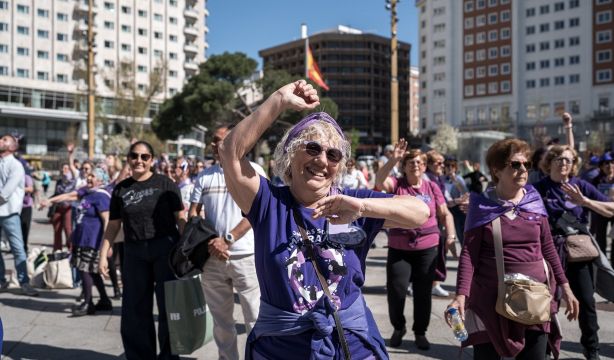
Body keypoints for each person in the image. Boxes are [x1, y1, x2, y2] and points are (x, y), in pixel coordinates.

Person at [218, 80, 429, 359]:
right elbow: (229, 151)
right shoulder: (268, 202)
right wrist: (279, 99)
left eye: (333, 154)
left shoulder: (353, 202)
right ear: (291, 153)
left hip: (352, 346)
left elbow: (420, 213)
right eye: (313, 148)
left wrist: (363, 207)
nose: (322, 161)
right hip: (281, 349)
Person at [447, 138, 579, 359]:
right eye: (515, 164)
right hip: (491, 299)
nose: (523, 170)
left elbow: (547, 248)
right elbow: (469, 254)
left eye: (526, 164)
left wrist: (565, 287)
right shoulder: (481, 206)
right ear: (497, 170)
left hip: (534, 299)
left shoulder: (534, 202)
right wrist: (461, 295)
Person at [99, 141, 185, 360]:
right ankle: (140, 355)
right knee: (134, 308)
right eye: (134, 156)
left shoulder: (165, 183)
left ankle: (169, 356)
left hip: (165, 248)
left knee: (169, 307)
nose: (139, 160)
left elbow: (180, 218)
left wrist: (189, 248)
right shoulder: (121, 188)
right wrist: (103, 253)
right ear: (128, 158)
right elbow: (113, 225)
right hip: (134, 251)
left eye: (144, 157)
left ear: (152, 160)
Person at [189, 124, 265, 360]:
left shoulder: (254, 171)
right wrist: (212, 241)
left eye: (221, 140)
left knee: (255, 318)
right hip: (213, 259)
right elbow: (193, 214)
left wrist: (228, 239)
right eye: (213, 140)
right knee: (222, 323)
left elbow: (259, 212)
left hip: (246, 256)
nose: (215, 145)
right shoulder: (204, 176)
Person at [534, 145, 614, 360]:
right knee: (546, 302)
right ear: (549, 162)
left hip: (579, 252)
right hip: (548, 251)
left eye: (568, 160)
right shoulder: (539, 188)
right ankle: (546, 346)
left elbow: (612, 208)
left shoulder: (581, 186)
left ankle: (591, 348)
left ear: (573, 165)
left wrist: (585, 202)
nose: (563, 163)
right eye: (558, 159)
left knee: (587, 301)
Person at [375, 141, 456, 350]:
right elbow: (379, 180)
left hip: (427, 248)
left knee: (423, 294)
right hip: (399, 247)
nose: (415, 165)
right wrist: (393, 158)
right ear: (404, 166)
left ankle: (420, 332)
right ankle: (398, 327)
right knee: (397, 291)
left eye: (420, 162)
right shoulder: (397, 184)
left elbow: (444, 213)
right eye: (411, 162)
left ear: (425, 165)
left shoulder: (432, 187)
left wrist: (451, 235)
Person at [40, 168, 113, 316]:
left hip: (92, 240)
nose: (89, 177)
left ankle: (87, 304)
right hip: (81, 238)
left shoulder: (101, 196)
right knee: (92, 272)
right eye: (89, 175)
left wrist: (108, 244)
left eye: (93, 176)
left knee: (84, 270)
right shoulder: (87, 192)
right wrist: (50, 201)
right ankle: (105, 301)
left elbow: (107, 220)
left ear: (101, 179)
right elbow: (69, 195)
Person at [0, 134, 38, 296]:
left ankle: (24, 283)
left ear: (13, 147)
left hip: (9, 213)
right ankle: (1, 281)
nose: (0, 141)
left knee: (17, 249)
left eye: (4, 140)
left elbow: (5, 192)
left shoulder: (16, 166)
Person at [424, 149, 452, 297]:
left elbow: (444, 200)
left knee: (439, 254)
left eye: (443, 162)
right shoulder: (427, 179)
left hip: (439, 222)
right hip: (430, 223)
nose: (442, 165)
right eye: (438, 162)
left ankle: (435, 283)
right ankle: (431, 283)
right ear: (429, 164)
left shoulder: (438, 179)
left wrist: (458, 201)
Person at [590, 152, 614, 264]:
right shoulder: (596, 180)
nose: (610, 166)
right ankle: (602, 261)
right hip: (600, 211)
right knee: (600, 237)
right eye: (607, 164)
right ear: (601, 166)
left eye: (612, 163)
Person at [443, 158, 469, 248]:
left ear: (455, 168)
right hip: (446, 208)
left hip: (458, 209)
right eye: (448, 166)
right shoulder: (442, 179)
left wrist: (455, 181)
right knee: (446, 234)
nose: (450, 168)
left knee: (461, 233)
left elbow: (465, 193)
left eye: (452, 166)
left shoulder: (459, 178)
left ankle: (465, 253)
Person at [50, 163, 76, 251]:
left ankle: (71, 250)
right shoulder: (59, 181)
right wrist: (48, 201)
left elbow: (66, 192)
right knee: (57, 230)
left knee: (68, 229)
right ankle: (57, 250)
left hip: (68, 208)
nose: (64, 170)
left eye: (66, 168)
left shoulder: (72, 181)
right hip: (58, 207)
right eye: (63, 168)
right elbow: (56, 193)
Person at [21, 170, 35, 253]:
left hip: (26, 206)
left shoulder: (26, 177)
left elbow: (30, 189)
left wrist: (18, 188)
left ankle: (24, 247)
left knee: (25, 227)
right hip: (16, 206)